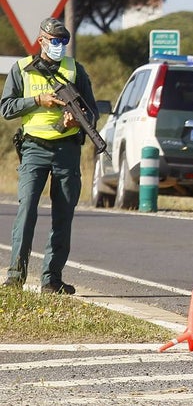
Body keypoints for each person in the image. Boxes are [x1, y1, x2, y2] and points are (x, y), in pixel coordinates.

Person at [1, 18, 98, 294]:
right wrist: (37, 100)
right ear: (41, 40)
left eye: (64, 41)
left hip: (67, 149)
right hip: (33, 148)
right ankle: (15, 277)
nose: (59, 46)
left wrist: (76, 120)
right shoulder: (22, 68)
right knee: (27, 210)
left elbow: (92, 112)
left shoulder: (75, 69)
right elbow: (6, 108)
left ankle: (52, 280)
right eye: (55, 41)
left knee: (63, 215)